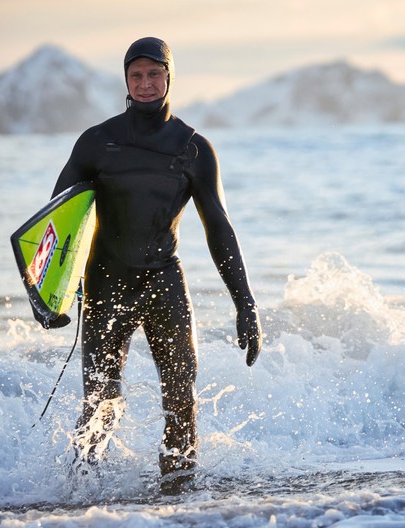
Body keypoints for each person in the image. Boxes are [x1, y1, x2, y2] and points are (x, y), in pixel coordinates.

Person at [49, 37, 262, 493]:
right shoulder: (96, 142)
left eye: (154, 74)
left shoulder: (194, 148)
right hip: (106, 282)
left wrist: (246, 304)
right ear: (126, 80)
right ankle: (81, 499)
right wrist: (50, 295)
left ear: (169, 76)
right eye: (136, 75)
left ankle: (177, 497)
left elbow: (219, 228)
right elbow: (57, 221)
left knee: (181, 397)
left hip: (164, 280)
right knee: (100, 401)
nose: (145, 84)